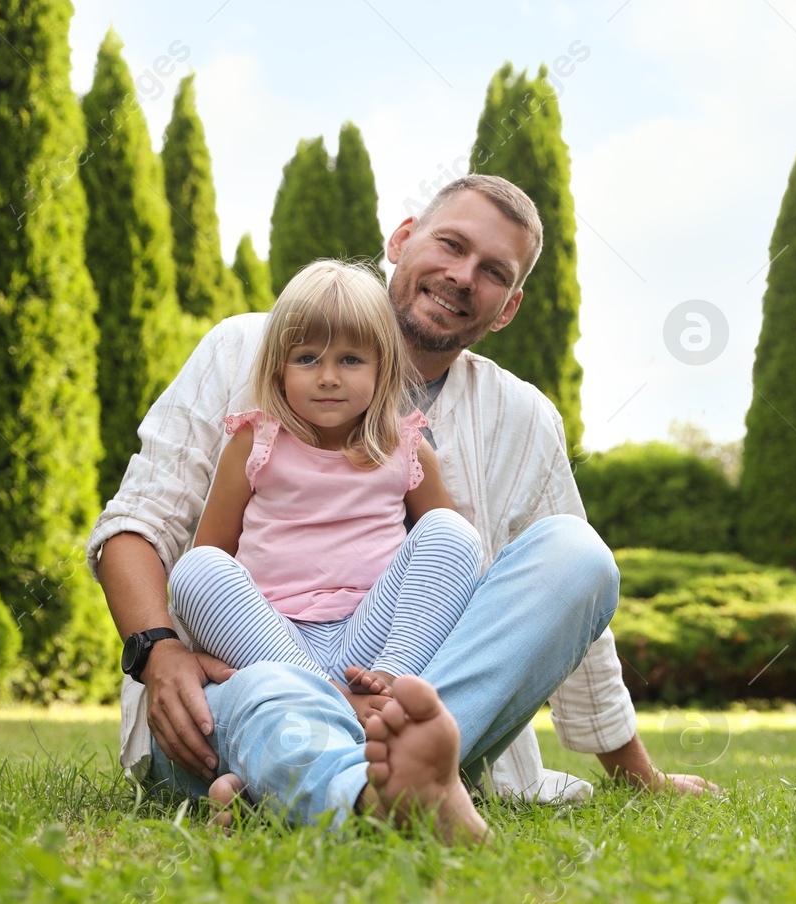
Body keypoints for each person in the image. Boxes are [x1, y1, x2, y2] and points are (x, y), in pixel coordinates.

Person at [89, 174, 718, 846]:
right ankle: (376, 783)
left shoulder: (524, 417)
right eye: (452, 244)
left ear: (507, 307)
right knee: (242, 648)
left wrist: (635, 771)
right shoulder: (243, 348)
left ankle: (333, 780)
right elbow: (136, 524)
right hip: (243, 692)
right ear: (402, 238)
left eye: (493, 272)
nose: (461, 276)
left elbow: (566, 611)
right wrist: (158, 653)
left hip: (405, 679)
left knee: (578, 553)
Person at [169, 258, 484, 727]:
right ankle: (336, 708)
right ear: (278, 368)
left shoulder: (405, 448)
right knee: (195, 570)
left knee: (454, 533)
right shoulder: (256, 443)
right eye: (307, 358)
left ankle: (391, 688)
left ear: (384, 367)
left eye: (351, 360)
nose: (329, 376)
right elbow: (213, 552)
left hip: (372, 639)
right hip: (276, 640)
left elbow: (449, 566)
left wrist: (392, 660)